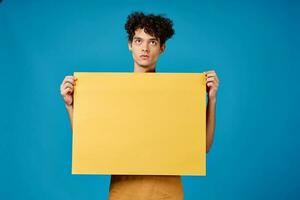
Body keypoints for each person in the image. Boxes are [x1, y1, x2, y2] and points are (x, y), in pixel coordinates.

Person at [60, 11, 219, 200]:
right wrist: (70, 106)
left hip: (167, 192)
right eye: (138, 41)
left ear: (162, 48)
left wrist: (212, 99)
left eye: (152, 42)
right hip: (124, 191)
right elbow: (89, 142)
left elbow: (204, 146)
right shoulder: (111, 93)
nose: (145, 48)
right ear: (129, 45)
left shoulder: (178, 94)